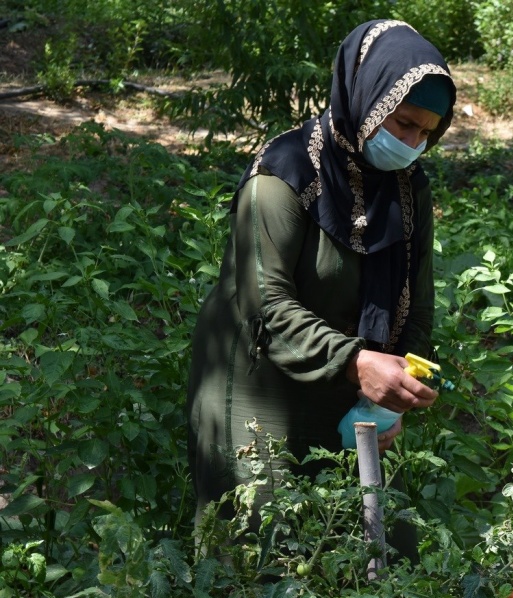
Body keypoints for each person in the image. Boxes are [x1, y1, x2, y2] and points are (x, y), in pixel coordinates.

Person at [186, 20, 456, 523]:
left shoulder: (407, 189)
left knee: (369, 557)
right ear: (368, 98)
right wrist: (359, 364)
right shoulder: (283, 175)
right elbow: (263, 305)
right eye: (404, 124)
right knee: (259, 552)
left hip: (354, 392)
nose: (414, 143)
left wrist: (393, 398)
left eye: (426, 132)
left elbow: (416, 306)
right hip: (258, 385)